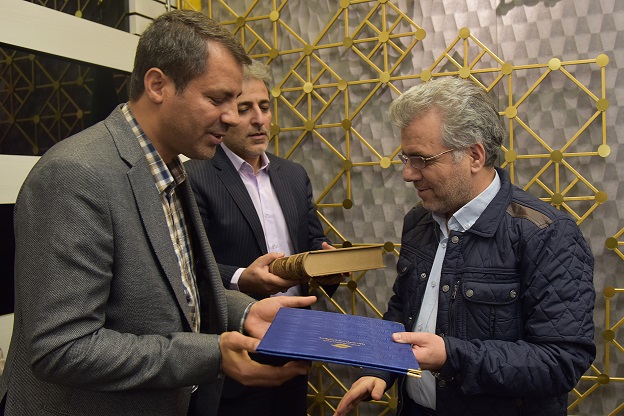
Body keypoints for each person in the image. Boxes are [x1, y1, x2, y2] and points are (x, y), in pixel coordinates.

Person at [0, 10, 316, 416]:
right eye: (217, 99)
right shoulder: (76, 175)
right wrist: (212, 354)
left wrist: (245, 312)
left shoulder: (170, 168)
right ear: (157, 85)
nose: (232, 117)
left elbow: (176, 292)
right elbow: (62, 348)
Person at [334, 76, 596, 416]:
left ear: (474, 156)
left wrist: (451, 356)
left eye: (422, 160)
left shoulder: (547, 234)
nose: (408, 174)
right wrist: (381, 369)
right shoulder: (418, 221)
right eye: (405, 159)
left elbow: (561, 362)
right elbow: (404, 309)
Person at [184, 59, 341, 416]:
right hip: (236, 351)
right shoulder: (195, 176)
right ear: (225, 114)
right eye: (245, 109)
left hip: (295, 344)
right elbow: (189, 268)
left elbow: (312, 245)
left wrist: (328, 268)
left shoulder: (294, 175)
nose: (259, 119)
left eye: (265, 107)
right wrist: (243, 278)